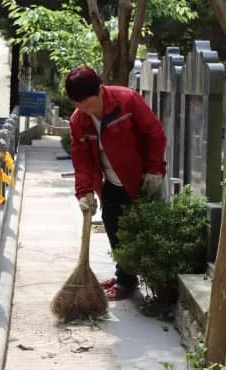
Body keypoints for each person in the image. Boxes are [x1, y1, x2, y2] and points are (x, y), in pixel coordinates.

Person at [65, 66, 167, 300]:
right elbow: (82, 159)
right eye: (80, 106)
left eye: (89, 104)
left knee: (141, 232)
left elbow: (155, 134)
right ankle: (126, 279)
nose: (86, 111)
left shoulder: (127, 101)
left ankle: (151, 284)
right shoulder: (79, 120)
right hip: (110, 182)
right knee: (113, 227)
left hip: (139, 180)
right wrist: (84, 192)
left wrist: (154, 170)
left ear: (100, 90)